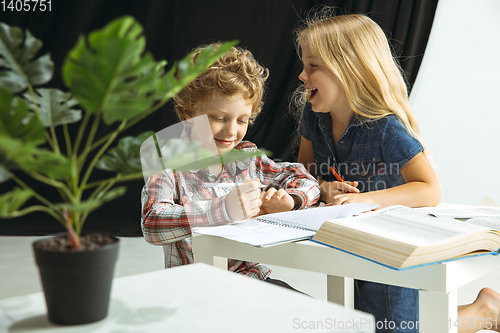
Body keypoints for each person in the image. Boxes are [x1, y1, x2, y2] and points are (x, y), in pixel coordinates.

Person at [293, 10, 500, 333]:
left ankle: (485, 309)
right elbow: (303, 174)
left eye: (313, 66)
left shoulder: (385, 128)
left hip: (393, 244)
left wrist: (365, 200)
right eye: (304, 66)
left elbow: (429, 188)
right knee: (367, 322)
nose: (303, 76)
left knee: (397, 328)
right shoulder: (313, 117)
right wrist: (322, 188)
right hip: (348, 239)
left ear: (348, 69)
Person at [141, 44, 320, 288]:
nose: (231, 130)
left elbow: (304, 179)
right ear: (187, 112)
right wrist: (223, 209)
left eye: (241, 120)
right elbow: (153, 222)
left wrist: (292, 200)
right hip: (196, 289)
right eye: (218, 118)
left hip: (253, 279)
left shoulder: (247, 157)